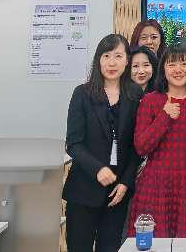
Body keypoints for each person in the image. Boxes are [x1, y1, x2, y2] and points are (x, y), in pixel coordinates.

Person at [63, 34, 141, 252]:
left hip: (118, 193)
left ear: (127, 60)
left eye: (118, 56)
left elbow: (137, 146)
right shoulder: (82, 93)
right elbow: (74, 143)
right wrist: (97, 169)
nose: (112, 62)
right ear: (99, 59)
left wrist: (125, 183)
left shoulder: (135, 94)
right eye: (106, 56)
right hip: (84, 190)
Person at [126, 44, 186, 238]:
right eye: (172, 64)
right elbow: (141, 146)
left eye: (184, 63)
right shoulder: (150, 100)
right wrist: (164, 117)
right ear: (163, 69)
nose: (178, 69)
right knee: (154, 244)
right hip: (156, 186)